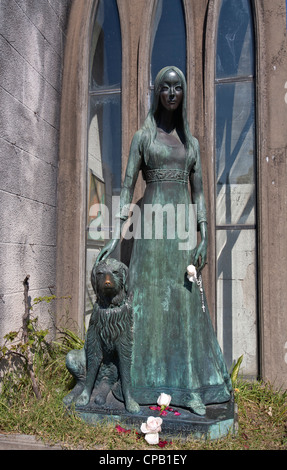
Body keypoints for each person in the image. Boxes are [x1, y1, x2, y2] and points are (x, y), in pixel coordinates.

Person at [97, 66, 232, 415]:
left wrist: (204, 233)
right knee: (144, 305)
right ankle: (137, 385)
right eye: (165, 88)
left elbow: (199, 194)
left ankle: (189, 388)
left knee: (183, 310)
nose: (172, 93)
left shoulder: (192, 144)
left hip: (181, 235)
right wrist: (115, 234)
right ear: (156, 93)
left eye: (178, 88)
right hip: (151, 234)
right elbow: (127, 186)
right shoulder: (143, 138)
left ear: (183, 94)